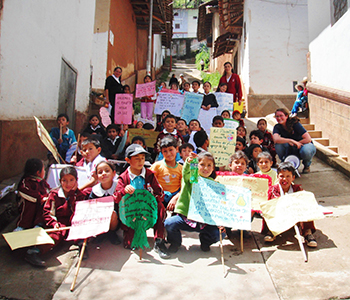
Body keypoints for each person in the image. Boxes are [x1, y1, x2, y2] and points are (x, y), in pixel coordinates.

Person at [114, 144, 170, 259]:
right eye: (137, 159)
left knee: (159, 206)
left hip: (147, 209)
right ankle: (129, 233)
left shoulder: (149, 175)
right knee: (130, 244)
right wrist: (124, 191)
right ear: (128, 160)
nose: (141, 161)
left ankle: (159, 240)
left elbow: (160, 193)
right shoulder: (124, 177)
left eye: (143, 158)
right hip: (132, 211)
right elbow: (116, 198)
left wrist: (153, 197)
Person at [25, 167, 86, 267]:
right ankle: (34, 252)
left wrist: (72, 194)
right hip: (59, 222)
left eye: (71, 180)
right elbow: (48, 212)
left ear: (76, 180)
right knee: (56, 235)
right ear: (60, 181)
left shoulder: (78, 194)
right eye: (64, 181)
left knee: (82, 233)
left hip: (73, 222)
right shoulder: (54, 194)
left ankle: (83, 247)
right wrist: (54, 223)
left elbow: (80, 209)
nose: (68, 184)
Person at [165, 152, 222, 253]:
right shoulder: (192, 179)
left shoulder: (215, 185)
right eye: (202, 164)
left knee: (219, 233)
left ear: (213, 168)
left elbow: (220, 204)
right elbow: (187, 173)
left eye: (209, 165)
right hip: (187, 218)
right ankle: (175, 242)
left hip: (205, 222)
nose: (205, 168)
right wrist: (191, 161)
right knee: (169, 223)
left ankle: (205, 242)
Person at [263, 162, 318, 247]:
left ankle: (308, 233)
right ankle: (272, 231)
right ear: (277, 177)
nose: (284, 179)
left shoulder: (297, 189)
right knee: (271, 208)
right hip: (279, 216)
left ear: (293, 178)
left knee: (306, 205)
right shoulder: (273, 189)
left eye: (288, 176)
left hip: (294, 216)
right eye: (282, 176)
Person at [273, 108, 316, 173]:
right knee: (278, 145)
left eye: (281, 116)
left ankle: (307, 165)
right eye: (277, 116)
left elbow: (308, 139)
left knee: (306, 150)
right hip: (290, 146)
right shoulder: (277, 127)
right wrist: (291, 141)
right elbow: (276, 139)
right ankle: (284, 161)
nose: (279, 118)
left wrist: (297, 143)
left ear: (286, 116)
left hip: (302, 145)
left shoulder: (295, 124)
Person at [89, 161, 120, 245]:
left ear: (113, 173)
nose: (103, 174)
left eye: (107, 171)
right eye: (100, 172)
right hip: (100, 218)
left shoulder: (118, 186)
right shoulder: (95, 190)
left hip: (116, 218)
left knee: (112, 214)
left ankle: (112, 233)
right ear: (97, 176)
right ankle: (101, 233)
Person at [15, 159, 50, 232]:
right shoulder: (25, 183)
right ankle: (22, 227)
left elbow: (48, 191)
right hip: (27, 212)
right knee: (30, 205)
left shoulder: (42, 182)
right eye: (43, 169)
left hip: (39, 213)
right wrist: (41, 198)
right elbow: (28, 195)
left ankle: (38, 225)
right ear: (38, 172)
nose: (44, 171)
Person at [150, 137, 182, 210]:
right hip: (159, 198)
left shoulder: (181, 168)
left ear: (176, 149)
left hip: (175, 198)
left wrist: (175, 198)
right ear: (161, 152)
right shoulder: (157, 166)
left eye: (171, 150)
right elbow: (150, 182)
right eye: (165, 151)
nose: (168, 154)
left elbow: (183, 187)